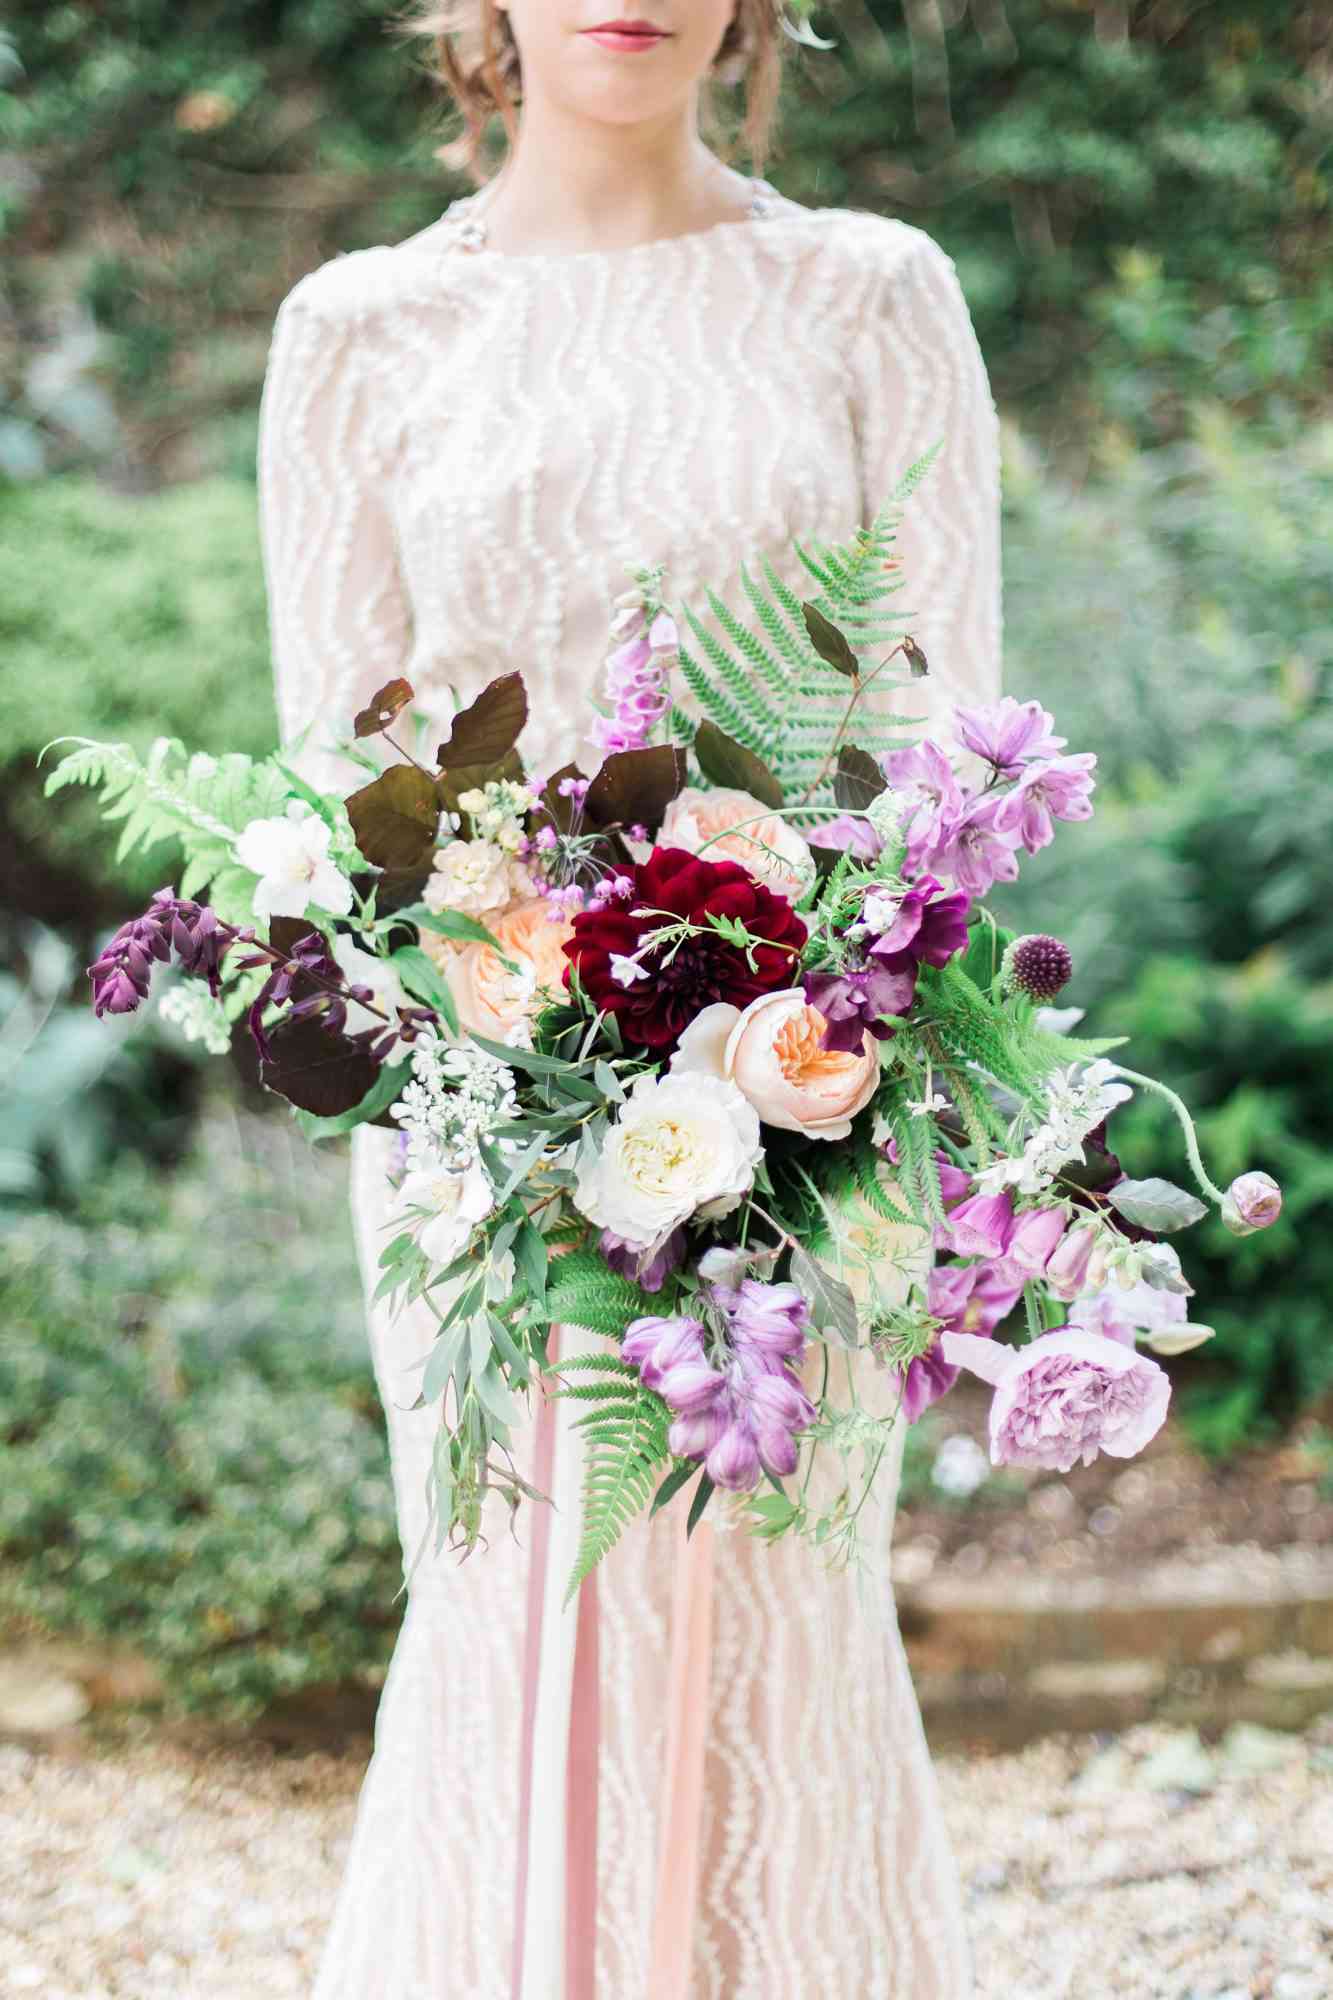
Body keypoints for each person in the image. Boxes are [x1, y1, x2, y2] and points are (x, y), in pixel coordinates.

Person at [256, 5, 1000, 1994]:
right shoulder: (355, 333)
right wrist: (518, 989)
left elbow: (947, 734)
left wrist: (799, 992)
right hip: (482, 1121)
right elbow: (343, 771)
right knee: (513, 1616)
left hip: (808, 1092)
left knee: (778, 1614)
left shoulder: (869, 294)